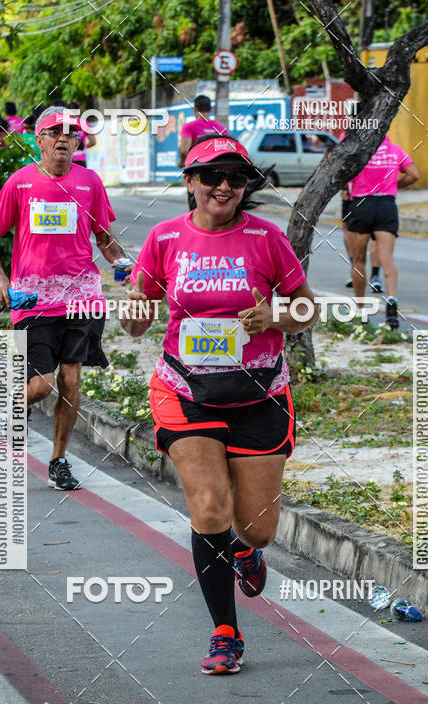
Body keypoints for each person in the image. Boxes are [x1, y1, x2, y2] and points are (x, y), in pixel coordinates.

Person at [126, 135, 317, 675]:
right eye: (212, 176)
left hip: (259, 392)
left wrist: (276, 319)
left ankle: (245, 550)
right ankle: (225, 632)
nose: (225, 187)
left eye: (236, 178)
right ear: (190, 183)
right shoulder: (164, 239)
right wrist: (134, 310)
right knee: (209, 507)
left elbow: (307, 309)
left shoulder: (266, 239)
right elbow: (138, 319)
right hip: (185, 390)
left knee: (256, 529)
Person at [0, 106, 127, 490]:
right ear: (40, 139)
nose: (63, 138)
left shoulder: (90, 182)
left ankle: (59, 460)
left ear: (78, 142)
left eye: (71, 133)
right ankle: (16, 404)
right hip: (31, 297)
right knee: (43, 384)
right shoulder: (20, 183)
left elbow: (104, 237)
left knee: (71, 379)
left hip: (81, 296)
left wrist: (124, 262)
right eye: (55, 131)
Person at [346, 134, 419, 329]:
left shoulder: (359, 151)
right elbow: (414, 174)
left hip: (362, 203)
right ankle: (392, 299)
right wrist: (396, 185)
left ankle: (361, 309)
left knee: (358, 260)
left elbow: (345, 180)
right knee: (387, 257)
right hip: (387, 204)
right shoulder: (395, 150)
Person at [178, 95, 229, 210]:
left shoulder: (189, 127)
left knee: (196, 209)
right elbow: (229, 150)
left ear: (195, 110)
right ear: (210, 110)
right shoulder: (221, 128)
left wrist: (181, 162)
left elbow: (184, 150)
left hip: (198, 172)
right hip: (218, 174)